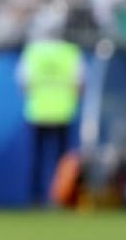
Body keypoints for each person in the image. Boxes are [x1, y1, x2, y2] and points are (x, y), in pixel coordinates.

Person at [16, 30, 83, 206]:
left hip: (38, 112)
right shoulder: (70, 52)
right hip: (63, 112)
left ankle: (36, 198)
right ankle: (63, 198)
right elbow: (80, 84)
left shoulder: (33, 52)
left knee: (37, 158)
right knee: (63, 161)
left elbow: (23, 83)